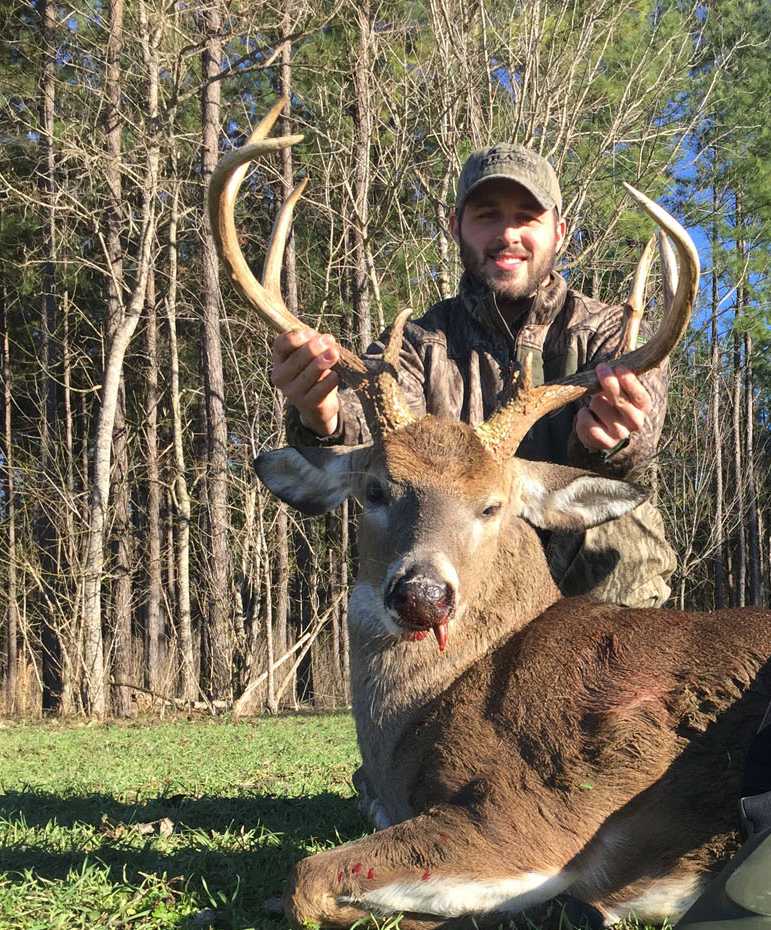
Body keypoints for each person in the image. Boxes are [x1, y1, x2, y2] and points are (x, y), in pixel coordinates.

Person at [268, 143, 676, 608]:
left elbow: (638, 445)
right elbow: (371, 439)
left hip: (586, 583)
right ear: (456, 227)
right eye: (487, 215)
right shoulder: (418, 345)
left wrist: (607, 443)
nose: (508, 234)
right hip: (454, 563)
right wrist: (323, 416)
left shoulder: (612, 334)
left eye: (527, 217)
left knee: (616, 527)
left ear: (559, 232)